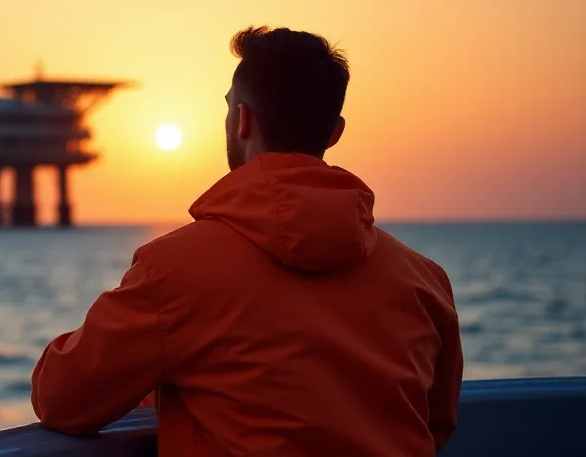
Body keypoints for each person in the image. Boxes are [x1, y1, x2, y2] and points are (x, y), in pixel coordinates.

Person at [30, 26, 464, 456]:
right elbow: (435, 425)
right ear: (334, 131)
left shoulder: (176, 271)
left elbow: (62, 398)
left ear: (242, 120)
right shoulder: (425, 282)